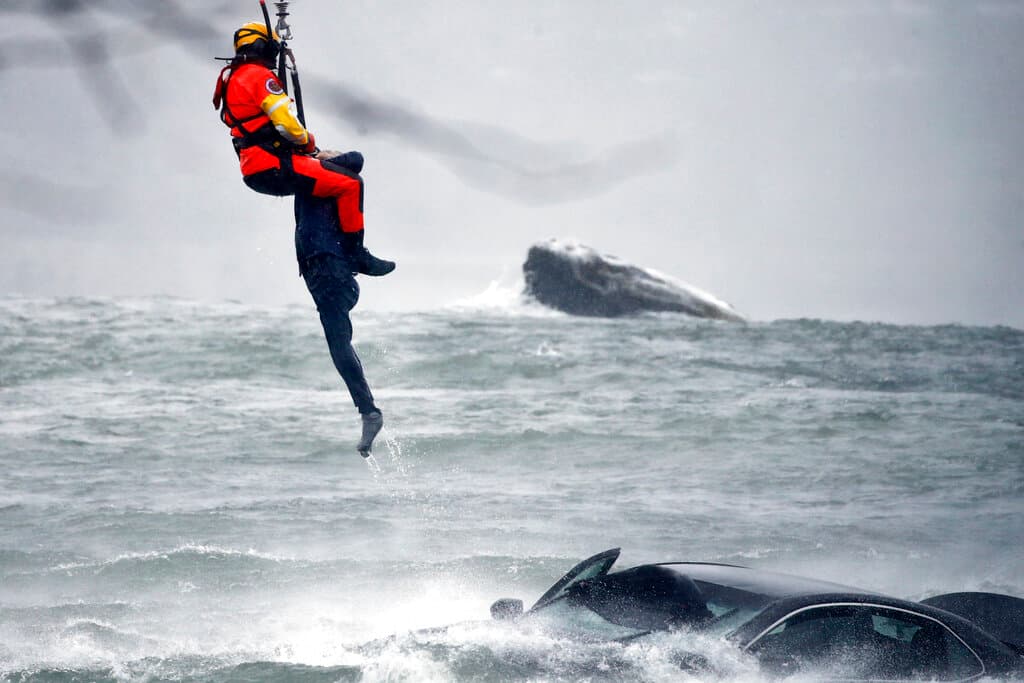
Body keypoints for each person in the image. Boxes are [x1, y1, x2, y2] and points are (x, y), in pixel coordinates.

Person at [213, 21, 394, 456]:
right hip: (285, 185)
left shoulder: (233, 78)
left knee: (341, 179)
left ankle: (368, 409)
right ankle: (358, 253)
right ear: (266, 49)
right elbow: (288, 122)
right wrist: (310, 144)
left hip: (260, 172)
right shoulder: (260, 77)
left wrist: (310, 155)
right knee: (348, 184)